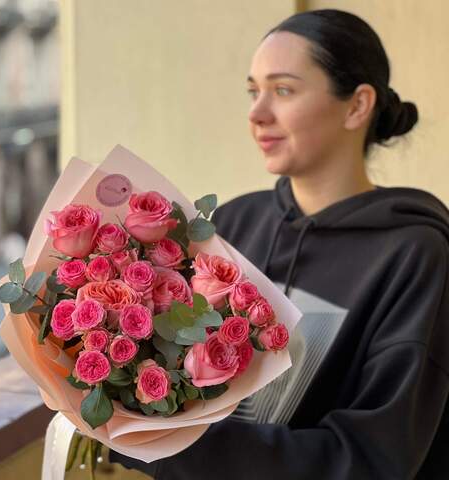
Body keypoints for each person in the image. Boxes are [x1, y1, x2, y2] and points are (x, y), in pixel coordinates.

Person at [110, 9, 449, 479]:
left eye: (283, 90)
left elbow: (374, 458)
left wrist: (177, 446)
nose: (256, 113)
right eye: (254, 91)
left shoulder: (415, 254)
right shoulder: (230, 224)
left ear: (357, 106)